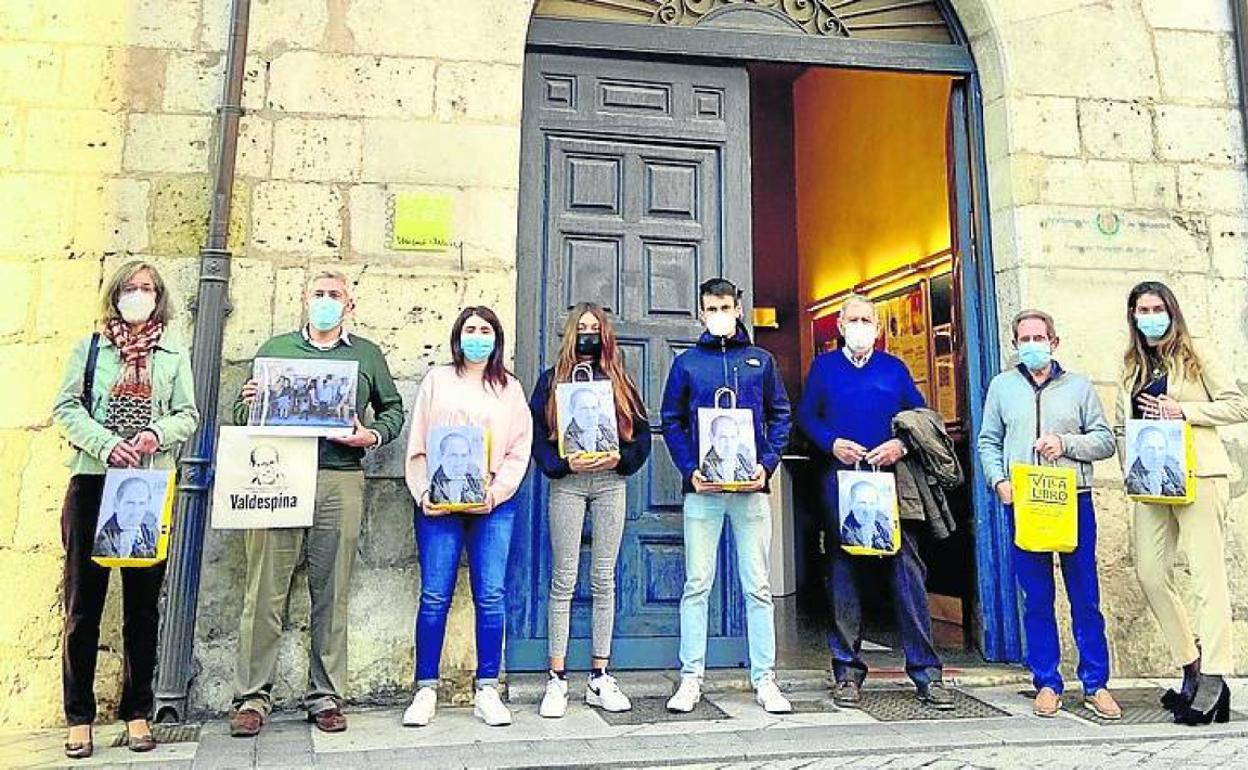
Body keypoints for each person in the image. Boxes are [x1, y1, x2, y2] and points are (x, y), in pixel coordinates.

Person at [229, 271, 406, 737]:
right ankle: (251, 697)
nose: (326, 302)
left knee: (333, 590)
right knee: (264, 591)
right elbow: (244, 415)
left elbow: (393, 409)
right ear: (304, 301)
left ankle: (326, 696)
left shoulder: (365, 355)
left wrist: (372, 435)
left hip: (338, 477)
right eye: (318, 294)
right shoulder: (275, 350)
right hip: (277, 477)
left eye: (335, 296)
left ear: (350, 304)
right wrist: (248, 404)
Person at [51, 260, 199, 759]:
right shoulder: (90, 350)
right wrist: (106, 443)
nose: (139, 295)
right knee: (83, 607)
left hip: (147, 483)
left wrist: (157, 434)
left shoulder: (173, 355)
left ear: (160, 299)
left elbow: (188, 413)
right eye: (131, 288)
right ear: (114, 295)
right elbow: (66, 407)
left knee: (141, 607)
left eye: (148, 289)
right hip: (94, 480)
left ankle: (138, 711)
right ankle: (79, 716)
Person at [796, 294, 952, 710]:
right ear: (840, 326)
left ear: (878, 327)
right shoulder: (824, 368)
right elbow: (807, 416)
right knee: (844, 576)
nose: (861, 325)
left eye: (868, 319)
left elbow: (921, 419)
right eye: (853, 319)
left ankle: (926, 673)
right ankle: (847, 671)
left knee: (907, 574)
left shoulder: (894, 369)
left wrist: (900, 445)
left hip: (892, 486)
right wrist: (832, 443)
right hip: (842, 482)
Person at [1115, 281, 1248, 725]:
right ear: (1132, 316)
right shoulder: (1131, 363)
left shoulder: (1197, 352)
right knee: (1151, 572)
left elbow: (1238, 405)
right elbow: (1122, 423)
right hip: (1152, 478)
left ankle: (1215, 674)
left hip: (1200, 474)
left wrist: (1184, 412)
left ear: (1171, 311)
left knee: (1207, 576)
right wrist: (1127, 467)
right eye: (1141, 309)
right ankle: (1189, 664)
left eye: (1157, 308)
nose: (1149, 315)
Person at [978, 309, 1120, 719]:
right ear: (1015, 344)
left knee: (1084, 596)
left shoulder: (1078, 387)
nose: (1032, 345)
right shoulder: (1003, 386)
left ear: (1054, 342)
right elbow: (989, 440)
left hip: (1073, 498)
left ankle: (1096, 683)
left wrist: (1065, 443)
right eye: (1025, 339)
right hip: (1025, 500)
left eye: (1039, 337)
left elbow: (1105, 440)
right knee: (1036, 597)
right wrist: (998, 481)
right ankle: (1046, 681)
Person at [660, 278, 793, 715]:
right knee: (697, 584)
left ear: (738, 308)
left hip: (751, 491)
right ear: (700, 313)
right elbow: (671, 419)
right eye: (710, 308)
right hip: (704, 492)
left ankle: (765, 679)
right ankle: (690, 678)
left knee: (757, 586)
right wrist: (689, 469)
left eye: (725, 307)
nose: (718, 314)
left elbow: (780, 414)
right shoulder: (687, 364)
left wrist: (767, 464)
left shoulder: (762, 361)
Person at [402, 306, 533, 728]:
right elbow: (419, 442)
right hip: (438, 505)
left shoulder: (509, 388)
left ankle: (488, 688)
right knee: (434, 595)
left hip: (492, 506)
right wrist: (424, 492)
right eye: (470, 330)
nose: (478, 336)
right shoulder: (437, 381)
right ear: (458, 336)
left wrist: (495, 494)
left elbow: (519, 448)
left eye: (485, 330)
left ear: (497, 338)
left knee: (491, 595)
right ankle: (425, 688)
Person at [530, 302, 652, 718]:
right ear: (570, 332)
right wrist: (562, 464)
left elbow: (643, 437)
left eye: (594, 327)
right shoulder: (551, 382)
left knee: (603, 578)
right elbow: (537, 439)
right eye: (581, 327)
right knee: (563, 579)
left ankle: (600, 674)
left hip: (609, 484)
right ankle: (557, 678)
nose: (587, 334)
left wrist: (619, 460)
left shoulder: (620, 381)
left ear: (605, 333)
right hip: (568, 484)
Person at [93, 477, 160, 559]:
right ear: (116, 504)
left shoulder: (151, 529)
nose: (136, 510)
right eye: (130, 503)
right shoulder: (104, 537)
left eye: (141, 503)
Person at [427, 431, 486, 506]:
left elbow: (480, 498)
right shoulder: (435, 484)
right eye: (453, 456)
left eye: (464, 456)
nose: (459, 462)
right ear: (441, 457)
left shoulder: (473, 478)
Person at [1125, 425, 1186, 497]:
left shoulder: (1173, 470)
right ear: (1138, 449)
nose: (1156, 455)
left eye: (1161, 448)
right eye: (1150, 449)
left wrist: (1166, 482)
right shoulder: (1133, 479)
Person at [562, 387, 619, 454]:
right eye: (584, 408)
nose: (590, 414)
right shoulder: (569, 435)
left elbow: (615, 448)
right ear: (572, 410)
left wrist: (600, 438)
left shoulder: (604, 422)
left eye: (594, 408)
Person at [701, 414, 755, 484]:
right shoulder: (707, 465)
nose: (729, 443)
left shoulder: (744, 459)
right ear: (712, 438)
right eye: (723, 437)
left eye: (733, 437)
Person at [840, 481, 892, 552]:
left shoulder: (883, 524)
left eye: (872, 504)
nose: (867, 510)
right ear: (851, 503)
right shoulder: (846, 534)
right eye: (862, 503)